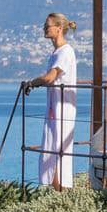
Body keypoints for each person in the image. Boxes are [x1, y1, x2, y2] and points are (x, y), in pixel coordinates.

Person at [23, 13, 78, 190]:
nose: (44, 28)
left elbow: (50, 78)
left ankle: (60, 192)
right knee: (52, 148)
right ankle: (54, 191)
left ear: (59, 28)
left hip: (63, 109)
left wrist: (32, 83)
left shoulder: (65, 51)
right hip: (55, 108)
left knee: (58, 149)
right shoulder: (56, 53)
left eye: (48, 25)